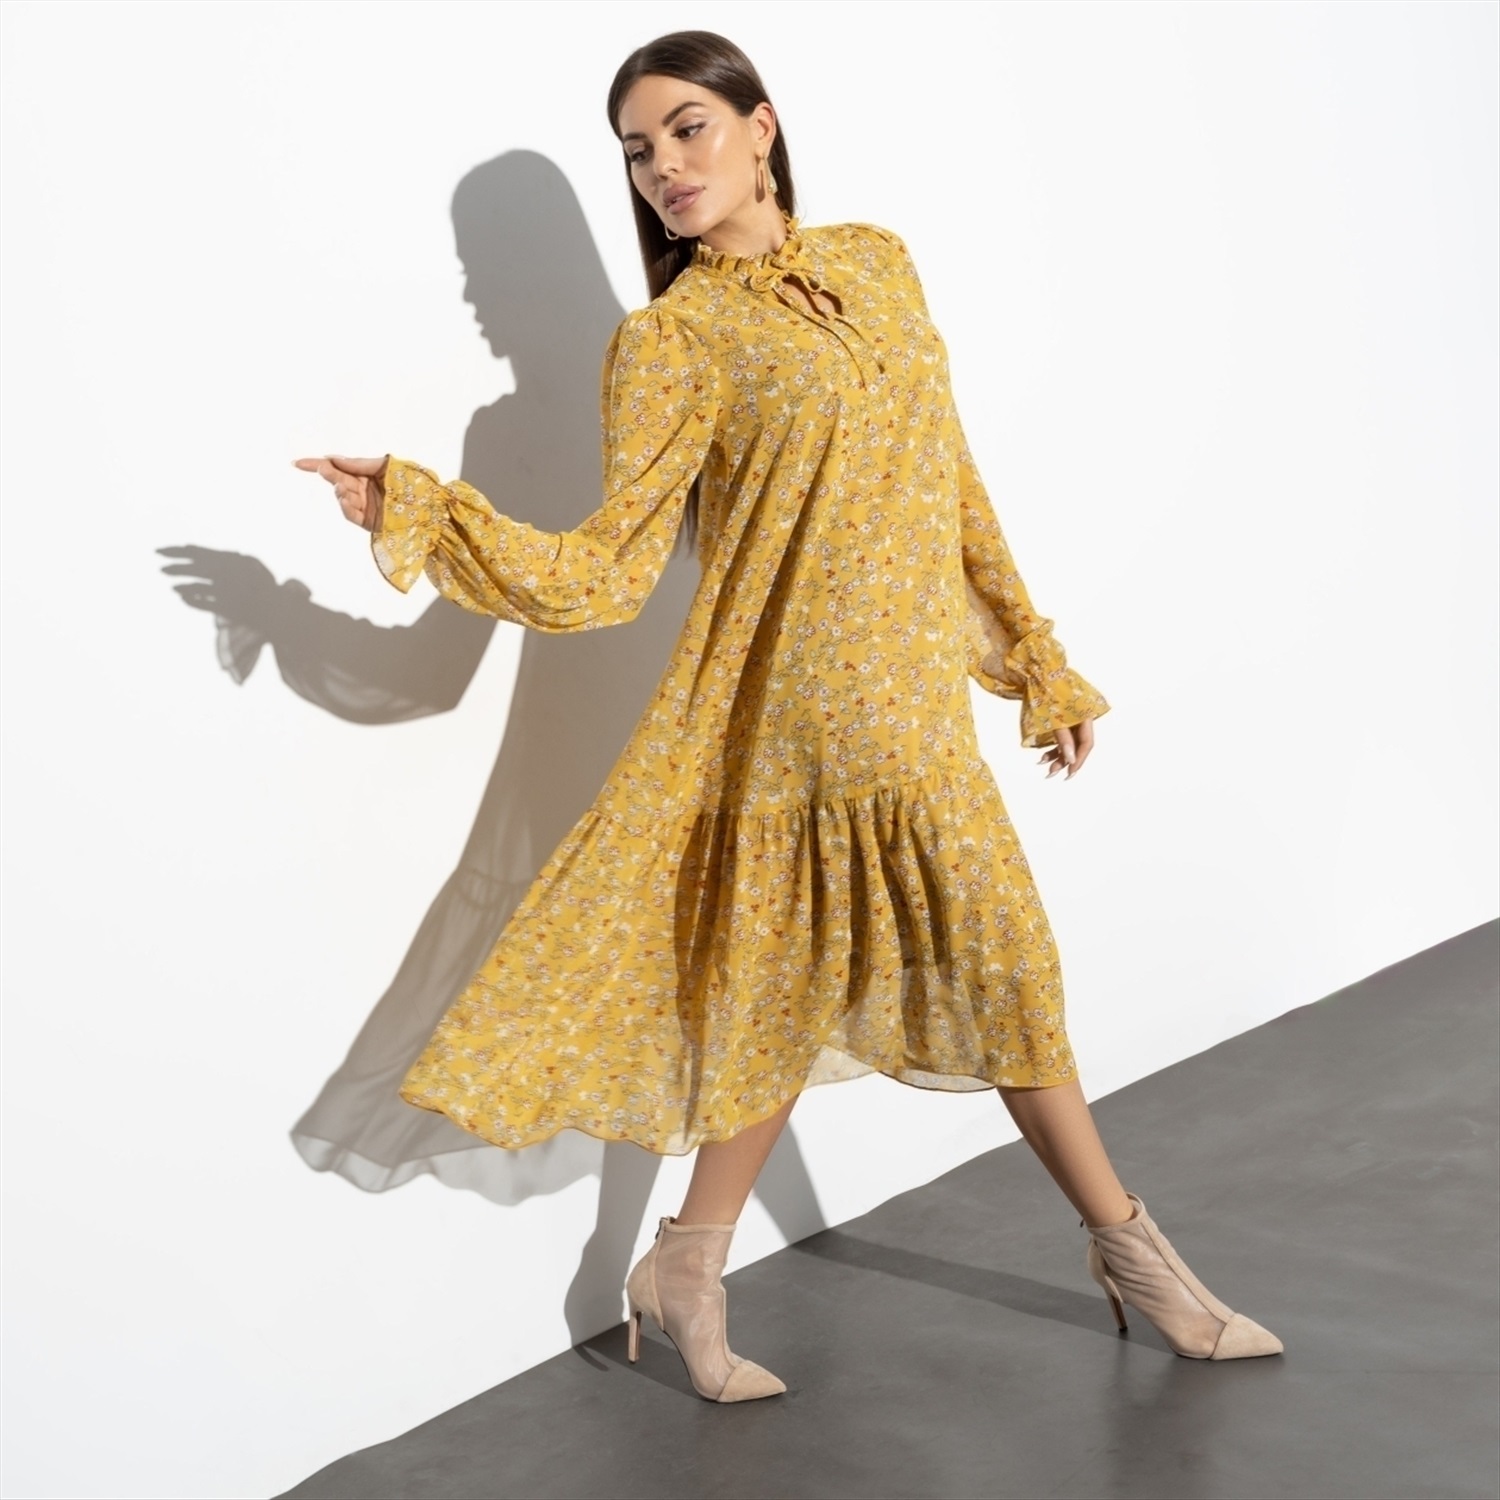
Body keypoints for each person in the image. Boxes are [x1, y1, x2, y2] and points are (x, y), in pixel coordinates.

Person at [296, 29, 1282, 1404]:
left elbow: (951, 482)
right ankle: (1136, 1261)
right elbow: (605, 570)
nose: (663, 167)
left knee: (881, 981)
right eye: (637, 152)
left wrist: (1033, 659)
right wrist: (419, 509)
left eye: (687, 129)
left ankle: (687, 1265)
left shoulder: (878, 263)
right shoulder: (670, 340)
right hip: (792, 716)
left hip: (911, 709)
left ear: (762, 127)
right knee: (957, 974)